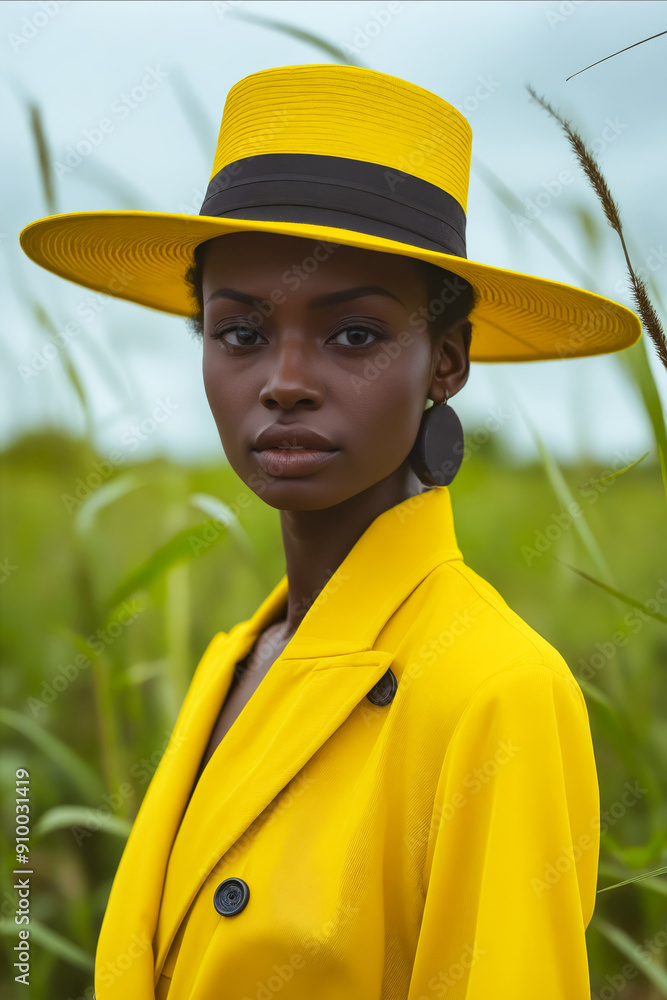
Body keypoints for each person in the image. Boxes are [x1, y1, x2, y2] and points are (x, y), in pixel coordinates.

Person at [20, 63, 641, 1000]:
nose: (285, 380)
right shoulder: (233, 659)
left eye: (353, 333)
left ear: (447, 360)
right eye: (239, 332)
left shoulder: (497, 691)